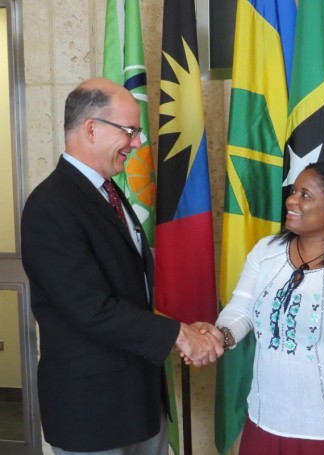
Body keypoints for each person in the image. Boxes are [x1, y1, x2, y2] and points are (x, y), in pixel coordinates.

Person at [20, 78, 222, 454]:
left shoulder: (110, 192)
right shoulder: (50, 207)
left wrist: (174, 329)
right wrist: (177, 335)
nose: (138, 142)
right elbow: (90, 308)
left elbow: (128, 290)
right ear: (92, 129)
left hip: (141, 401)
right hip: (93, 411)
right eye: (130, 131)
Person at [210, 162, 324, 455]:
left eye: (305, 195)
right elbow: (241, 309)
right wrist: (219, 337)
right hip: (264, 419)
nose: (291, 200)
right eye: (293, 191)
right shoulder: (266, 251)